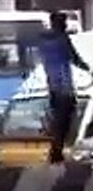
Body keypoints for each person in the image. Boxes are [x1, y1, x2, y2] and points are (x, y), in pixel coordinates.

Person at [38, 10, 90, 163]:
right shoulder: (62, 39)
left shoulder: (43, 40)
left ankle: (56, 150)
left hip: (53, 87)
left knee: (58, 120)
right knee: (65, 119)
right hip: (65, 88)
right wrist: (88, 68)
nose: (66, 25)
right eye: (64, 22)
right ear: (59, 24)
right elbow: (74, 58)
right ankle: (56, 152)